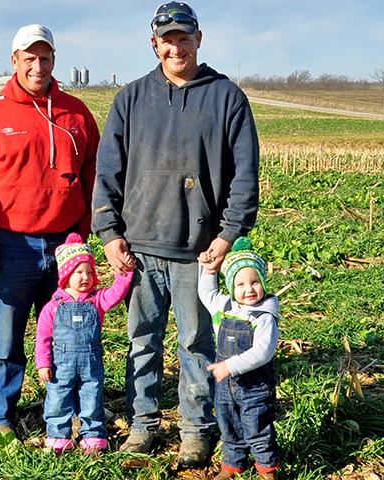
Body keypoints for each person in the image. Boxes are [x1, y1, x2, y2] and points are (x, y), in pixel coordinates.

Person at [91, 1, 261, 467]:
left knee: (195, 344)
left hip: (199, 252)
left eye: (183, 38)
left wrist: (227, 237)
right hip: (139, 249)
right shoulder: (130, 98)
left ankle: (195, 429)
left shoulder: (226, 98)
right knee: (141, 341)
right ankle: (143, 425)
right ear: (154, 44)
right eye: (167, 39)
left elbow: (245, 177)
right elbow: (107, 172)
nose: (175, 47)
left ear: (198, 40)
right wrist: (109, 233)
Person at [0, 24, 101, 444]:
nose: (37, 66)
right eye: (29, 58)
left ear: (54, 60)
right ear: (14, 61)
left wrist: (84, 231)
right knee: (6, 337)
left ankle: (66, 414)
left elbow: (93, 174)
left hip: (65, 244)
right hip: (10, 243)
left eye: (44, 58)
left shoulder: (76, 113)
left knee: (69, 335)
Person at [34, 233, 134, 455]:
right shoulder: (54, 306)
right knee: (58, 399)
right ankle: (58, 436)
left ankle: (93, 436)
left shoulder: (96, 300)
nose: (85, 277)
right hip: (61, 365)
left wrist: (124, 275)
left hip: (91, 363)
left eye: (89, 272)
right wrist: (43, 363)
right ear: (66, 274)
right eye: (78, 272)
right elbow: (43, 337)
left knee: (91, 397)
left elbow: (116, 294)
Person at [198, 239, 281, 480]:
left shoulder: (264, 316)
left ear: (263, 282)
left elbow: (263, 352)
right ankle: (232, 464)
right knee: (228, 423)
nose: (249, 289)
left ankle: (267, 467)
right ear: (231, 285)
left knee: (257, 426)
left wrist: (230, 366)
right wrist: (209, 270)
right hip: (225, 387)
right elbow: (206, 292)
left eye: (255, 282)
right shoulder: (224, 305)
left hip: (254, 385)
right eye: (241, 283)